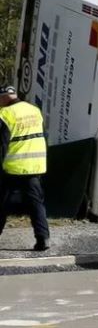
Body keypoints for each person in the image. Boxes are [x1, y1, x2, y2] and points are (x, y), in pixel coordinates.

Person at [0, 85, 50, 251]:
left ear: (5, 97)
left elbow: (2, 144)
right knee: (36, 204)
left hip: (13, 168)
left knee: (2, 204)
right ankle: (43, 239)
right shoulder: (34, 110)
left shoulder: (5, 114)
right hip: (35, 166)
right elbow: (43, 136)